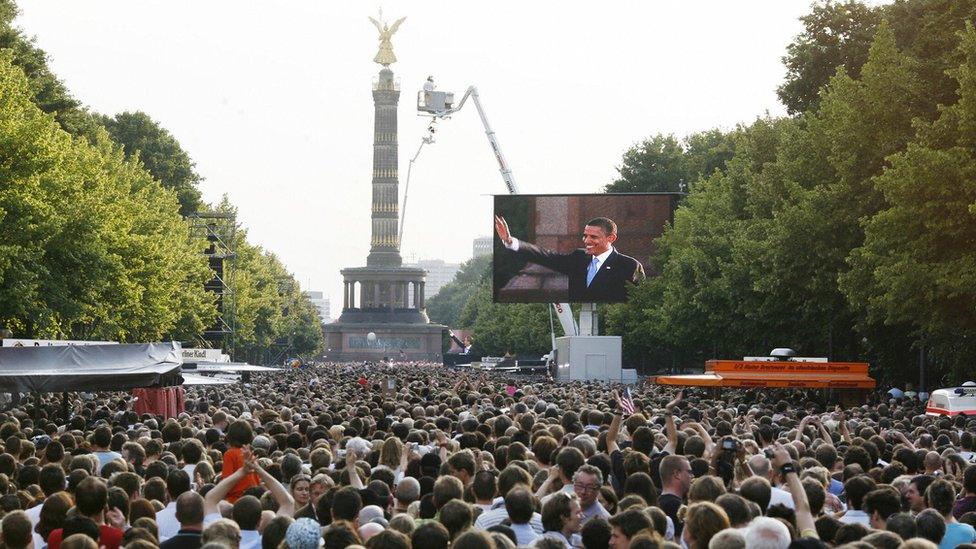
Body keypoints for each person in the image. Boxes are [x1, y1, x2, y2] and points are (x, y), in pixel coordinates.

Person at [494, 215, 645, 302]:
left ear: (611, 238)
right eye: (585, 236)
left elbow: (643, 300)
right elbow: (545, 257)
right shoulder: (578, 258)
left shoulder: (629, 266)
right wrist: (509, 241)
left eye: (593, 237)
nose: (586, 241)